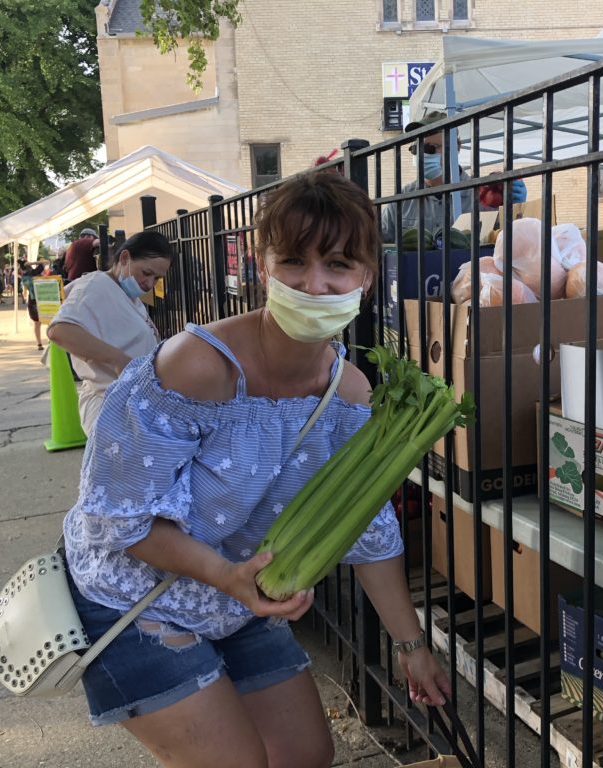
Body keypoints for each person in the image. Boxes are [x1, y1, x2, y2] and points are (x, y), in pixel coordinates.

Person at [61, 173, 449, 767]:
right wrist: (227, 574)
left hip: (237, 597)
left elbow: (367, 529)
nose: (314, 284)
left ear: (366, 279)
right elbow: (118, 519)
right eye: (293, 260)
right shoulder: (194, 368)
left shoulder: (350, 394)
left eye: (339, 264)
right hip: (133, 596)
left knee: (305, 755)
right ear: (262, 266)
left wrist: (411, 645)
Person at [46, 231, 172, 433]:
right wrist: (118, 360)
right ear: (124, 258)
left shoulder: (128, 295)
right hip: (109, 407)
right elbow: (59, 330)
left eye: (156, 278)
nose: (149, 284)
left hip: (132, 405)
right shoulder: (95, 286)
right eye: (146, 273)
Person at [380, 110, 527, 244]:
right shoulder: (402, 199)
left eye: (432, 148)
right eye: (418, 148)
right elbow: (380, 244)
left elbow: (509, 243)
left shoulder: (482, 196)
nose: (425, 154)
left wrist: (514, 210)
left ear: (456, 147)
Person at [19, 260, 46, 350]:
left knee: (36, 323)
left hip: (32, 300)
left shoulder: (24, 278)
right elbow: (45, 262)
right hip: (42, 298)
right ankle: (51, 341)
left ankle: (39, 344)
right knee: (49, 320)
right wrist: (33, 262)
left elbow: (24, 292)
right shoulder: (36, 273)